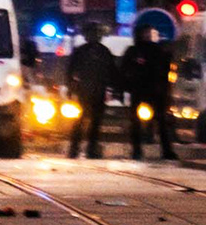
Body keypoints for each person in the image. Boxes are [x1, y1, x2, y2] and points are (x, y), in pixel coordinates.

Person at [121, 24, 178, 161]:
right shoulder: (134, 51)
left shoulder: (158, 51)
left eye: (150, 33)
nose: (148, 36)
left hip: (155, 91)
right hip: (138, 89)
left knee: (162, 120)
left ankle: (167, 150)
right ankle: (137, 150)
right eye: (145, 33)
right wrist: (126, 87)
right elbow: (125, 70)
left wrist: (164, 90)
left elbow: (165, 72)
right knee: (135, 121)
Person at [66, 23, 113, 159]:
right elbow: (71, 71)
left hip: (97, 90)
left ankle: (89, 149)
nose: (94, 36)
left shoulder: (104, 52)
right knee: (80, 121)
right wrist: (71, 88)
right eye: (92, 33)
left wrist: (113, 89)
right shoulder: (82, 51)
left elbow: (110, 72)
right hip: (84, 91)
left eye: (96, 34)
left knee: (94, 122)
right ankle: (75, 149)